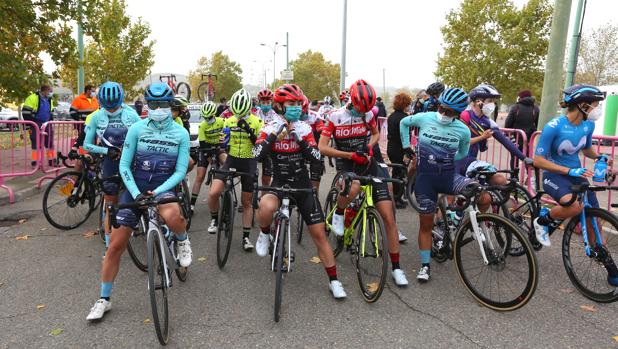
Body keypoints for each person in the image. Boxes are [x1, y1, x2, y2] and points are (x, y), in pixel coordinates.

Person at [86, 82, 192, 321]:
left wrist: (157, 191)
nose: (158, 109)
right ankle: (103, 299)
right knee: (115, 246)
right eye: (153, 104)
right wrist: (135, 194)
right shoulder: (136, 129)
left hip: (163, 188)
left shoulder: (181, 133)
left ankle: (183, 241)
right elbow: (124, 165)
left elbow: (180, 171)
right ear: (147, 105)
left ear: (170, 104)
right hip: (135, 189)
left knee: (173, 216)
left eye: (163, 104)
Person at [253, 83, 347, 298]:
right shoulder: (269, 126)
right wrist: (275, 136)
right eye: (290, 103)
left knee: (319, 233)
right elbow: (256, 155)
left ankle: (334, 281)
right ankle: (265, 234)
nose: (295, 107)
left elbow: (315, 157)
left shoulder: (304, 127)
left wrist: (299, 139)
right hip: (279, 182)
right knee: (266, 207)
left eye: (297, 103)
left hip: (302, 184)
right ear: (280, 105)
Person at [319, 79, 409, 286]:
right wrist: (350, 154)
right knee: (355, 186)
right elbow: (322, 147)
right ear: (352, 100)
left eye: (367, 109)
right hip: (347, 163)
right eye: (361, 107)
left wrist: (368, 147)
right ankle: (339, 213)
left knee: (388, 215)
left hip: (368, 162)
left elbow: (376, 134)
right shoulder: (335, 116)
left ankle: (396, 268)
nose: (363, 112)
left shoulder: (369, 114)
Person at [400, 87, 478, 282]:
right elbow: (403, 123)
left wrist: (444, 159)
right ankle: (425, 266)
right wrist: (406, 147)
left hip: (448, 176)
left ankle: (453, 214)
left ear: (458, 113)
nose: (443, 113)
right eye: (442, 108)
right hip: (425, 180)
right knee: (426, 224)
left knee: (478, 190)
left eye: (449, 112)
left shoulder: (463, 130)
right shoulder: (425, 117)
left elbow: (462, 154)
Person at [83, 82, 140, 247]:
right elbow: (87, 145)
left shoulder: (132, 115)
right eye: (108, 107)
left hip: (130, 161)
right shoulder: (96, 117)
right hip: (110, 162)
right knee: (111, 205)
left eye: (114, 107)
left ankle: (136, 220)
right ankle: (109, 246)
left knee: (136, 197)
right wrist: (107, 151)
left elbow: (141, 137)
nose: (112, 110)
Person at [207, 88, 262, 250]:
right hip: (231, 159)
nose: (238, 117)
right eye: (236, 113)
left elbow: (259, 144)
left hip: (249, 161)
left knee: (246, 203)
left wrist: (248, 129)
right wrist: (221, 142)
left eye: (242, 113)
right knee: (213, 193)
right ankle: (215, 219)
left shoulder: (258, 121)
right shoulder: (228, 121)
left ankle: (246, 238)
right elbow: (223, 142)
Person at [456, 84, 533, 187]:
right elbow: (460, 142)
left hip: (471, 162)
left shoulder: (488, 122)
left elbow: (505, 141)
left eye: (493, 101)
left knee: (499, 181)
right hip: (456, 161)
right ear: (478, 101)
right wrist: (482, 137)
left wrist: (524, 158)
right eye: (490, 101)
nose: (492, 104)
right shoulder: (464, 115)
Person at [190, 101, 226, 216]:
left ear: (213, 114)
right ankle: (191, 204)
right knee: (200, 176)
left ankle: (227, 191)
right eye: (205, 117)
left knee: (226, 163)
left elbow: (223, 137)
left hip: (218, 148)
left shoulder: (221, 121)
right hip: (206, 149)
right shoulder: (203, 125)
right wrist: (209, 157)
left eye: (209, 117)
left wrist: (221, 148)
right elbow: (203, 143)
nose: (207, 119)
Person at [386, 92, 412, 208]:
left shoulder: (391, 116)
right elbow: (404, 136)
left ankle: (396, 197)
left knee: (396, 172)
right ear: (404, 104)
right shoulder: (404, 118)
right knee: (400, 174)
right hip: (399, 148)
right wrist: (408, 151)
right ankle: (396, 199)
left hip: (391, 146)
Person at [22, 85, 56, 167]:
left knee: (49, 142)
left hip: (47, 123)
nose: (51, 93)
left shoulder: (49, 99)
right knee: (36, 143)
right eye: (50, 91)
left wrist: (50, 121)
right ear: (45, 91)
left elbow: (51, 112)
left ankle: (52, 160)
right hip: (35, 124)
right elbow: (25, 113)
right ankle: (35, 162)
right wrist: (32, 123)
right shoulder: (32, 98)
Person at [505, 90, 539, 171]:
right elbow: (537, 125)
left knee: (515, 157)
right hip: (528, 139)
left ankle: (514, 177)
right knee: (528, 158)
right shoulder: (535, 108)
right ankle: (530, 178)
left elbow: (507, 124)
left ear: (520, 97)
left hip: (515, 138)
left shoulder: (515, 107)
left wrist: (509, 136)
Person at [301, 95, 325, 191]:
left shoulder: (314, 116)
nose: (300, 116)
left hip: (314, 147)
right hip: (299, 149)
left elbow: (322, 131)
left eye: (303, 113)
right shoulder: (291, 117)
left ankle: (315, 198)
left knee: (314, 185)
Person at [255, 89, 278, 186]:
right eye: (263, 102)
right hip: (255, 145)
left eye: (268, 102)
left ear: (271, 102)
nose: (265, 104)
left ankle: (264, 196)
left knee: (266, 178)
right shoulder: (254, 114)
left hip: (268, 147)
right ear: (259, 102)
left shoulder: (275, 115)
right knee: (251, 175)